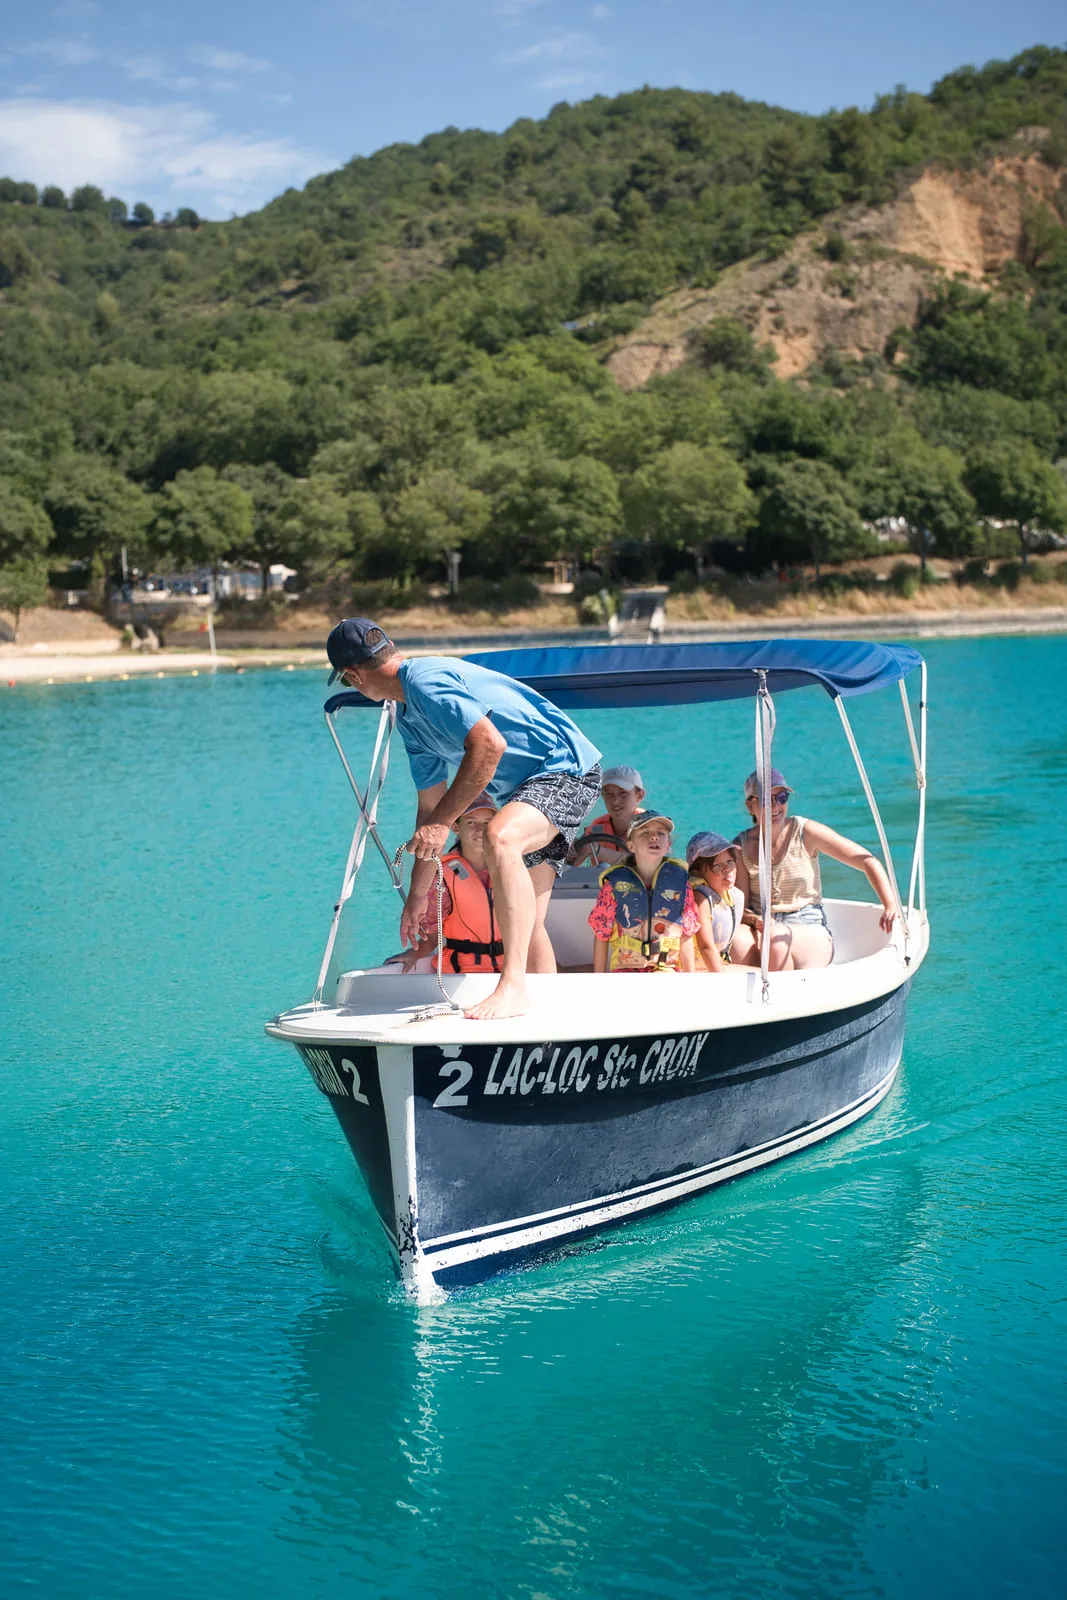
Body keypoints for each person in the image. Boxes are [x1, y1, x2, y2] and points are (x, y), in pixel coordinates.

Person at [326, 617, 601, 1020]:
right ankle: (548, 1023)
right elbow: (429, 809)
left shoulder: (425, 680)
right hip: (527, 791)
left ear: (353, 675)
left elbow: (488, 746)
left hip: (565, 769)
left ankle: (512, 990)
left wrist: (442, 823)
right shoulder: (409, 719)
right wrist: (418, 895)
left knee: (500, 837)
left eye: (349, 683)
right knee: (529, 921)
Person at [734, 768, 897, 971]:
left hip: (806, 926)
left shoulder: (805, 832)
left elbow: (867, 861)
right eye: (767, 799)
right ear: (751, 805)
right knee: (737, 942)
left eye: (782, 797)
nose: (776, 805)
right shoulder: (741, 847)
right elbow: (741, 905)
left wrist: (890, 904)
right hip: (763, 926)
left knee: (775, 940)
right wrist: (754, 920)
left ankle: (780, 997)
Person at [400, 793, 503, 974]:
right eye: (471, 822)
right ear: (456, 827)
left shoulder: (509, 868)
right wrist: (414, 954)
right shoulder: (441, 875)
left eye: (487, 823)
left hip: (509, 973)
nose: (480, 830)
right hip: (460, 973)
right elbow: (432, 937)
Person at [588, 813, 699, 973]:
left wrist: (689, 980)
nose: (654, 837)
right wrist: (599, 978)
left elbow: (686, 933)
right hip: (625, 969)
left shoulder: (681, 883)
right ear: (631, 846)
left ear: (668, 845)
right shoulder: (613, 885)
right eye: (645, 833)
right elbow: (601, 934)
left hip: (665, 969)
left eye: (660, 833)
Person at [685, 831, 753, 972]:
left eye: (730, 862)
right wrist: (723, 981)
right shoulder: (700, 897)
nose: (727, 869)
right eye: (717, 865)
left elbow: (723, 913)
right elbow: (706, 947)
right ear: (697, 872)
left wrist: (752, 919)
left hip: (716, 965)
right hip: (700, 969)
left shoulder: (729, 894)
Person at [568, 765, 649, 866]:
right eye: (608, 794)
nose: (615, 801)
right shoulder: (595, 830)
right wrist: (568, 851)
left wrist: (598, 850)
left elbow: (648, 866)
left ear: (640, 795)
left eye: (623, 793)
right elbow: (567, 868)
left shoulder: (653, 828)